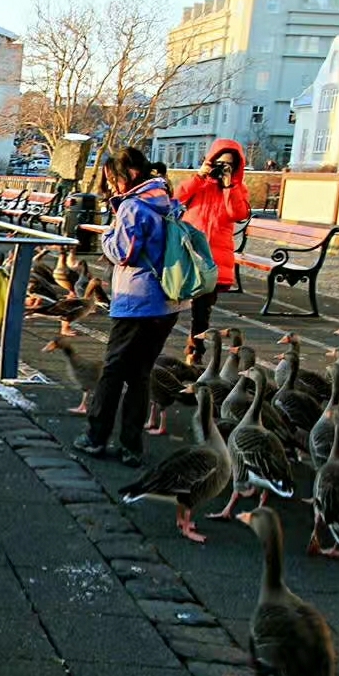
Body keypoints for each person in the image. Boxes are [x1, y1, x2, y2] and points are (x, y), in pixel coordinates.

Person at [74, 147, 186, 467]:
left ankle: (96, 436)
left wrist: (108, 235)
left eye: (112, 179)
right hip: (167, 302)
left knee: (113, 370)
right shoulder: (165, 197)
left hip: (138, 301)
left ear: (130, 174)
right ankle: (131, 446)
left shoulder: (135, 206)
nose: (111, 186)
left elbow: (123, 251)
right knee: (140, 374)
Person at [175, 140, 252, 362]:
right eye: (219, 163)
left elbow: (237, 213)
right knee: (170, 299)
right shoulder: (199, 185)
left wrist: (230, 186)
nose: (222, 168)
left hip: (214, 259)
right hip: (189, 253)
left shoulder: (237, 190)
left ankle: (195, 350)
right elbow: (175, 199)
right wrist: (200, 176)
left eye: (228, 165)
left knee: (202, 310)